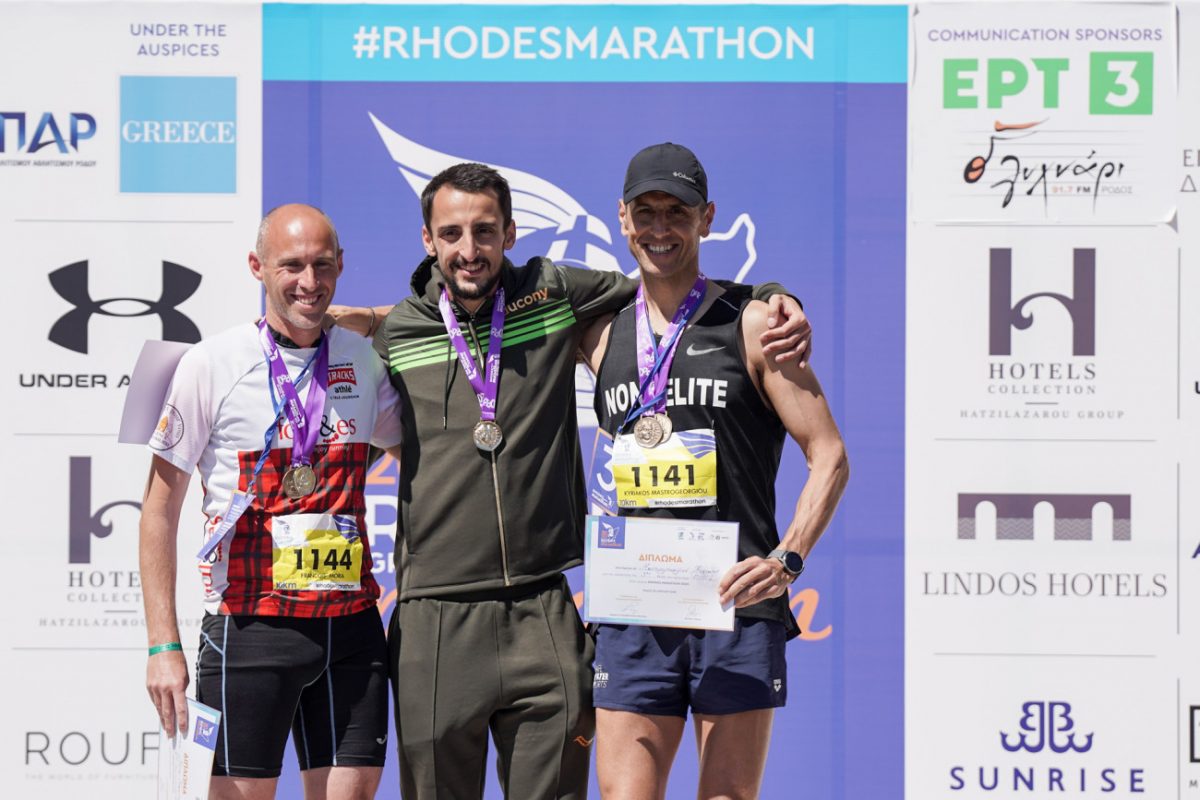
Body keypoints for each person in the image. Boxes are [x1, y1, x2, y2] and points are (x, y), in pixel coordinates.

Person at [331, 161, 811, 800]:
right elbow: (341, 432)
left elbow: (671, 280)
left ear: (510, 232)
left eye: (485, 231)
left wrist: (772, 294)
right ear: (427, 239)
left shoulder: (552, 294)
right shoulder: (398, 334)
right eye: (451, 234)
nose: (469, 249)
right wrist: (361, 318)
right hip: (435, 613)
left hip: (544, 606)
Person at [578, 142, 850, 800]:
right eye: (646, 212)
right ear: (622, 217)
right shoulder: (599, 334)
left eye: (678, 211)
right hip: (634, 606)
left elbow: (830, 455)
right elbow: (480, 311)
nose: (661, 228)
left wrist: (787, 560)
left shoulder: (755, 325)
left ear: (707, 218)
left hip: (734, 601)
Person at [139, 204, 404, 800]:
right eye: (292, 266)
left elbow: (418, 454)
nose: (309, 282)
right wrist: (162, 645)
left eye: (322, 265)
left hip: (351, 628)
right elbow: (158, 510)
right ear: (257, 267)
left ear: (341, 266)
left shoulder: (362, 359)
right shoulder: (212, 364)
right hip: (250, 626)